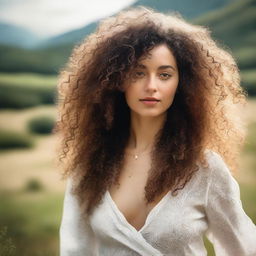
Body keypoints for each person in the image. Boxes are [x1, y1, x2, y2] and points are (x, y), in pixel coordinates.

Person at [55, 6, 256, 256]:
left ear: (182, 84)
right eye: (138, 73)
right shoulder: (88, 167)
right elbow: (75, 250)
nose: (151, 86)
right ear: (117, 80)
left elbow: (244, 249)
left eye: (164, 74)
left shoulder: (204, 169)